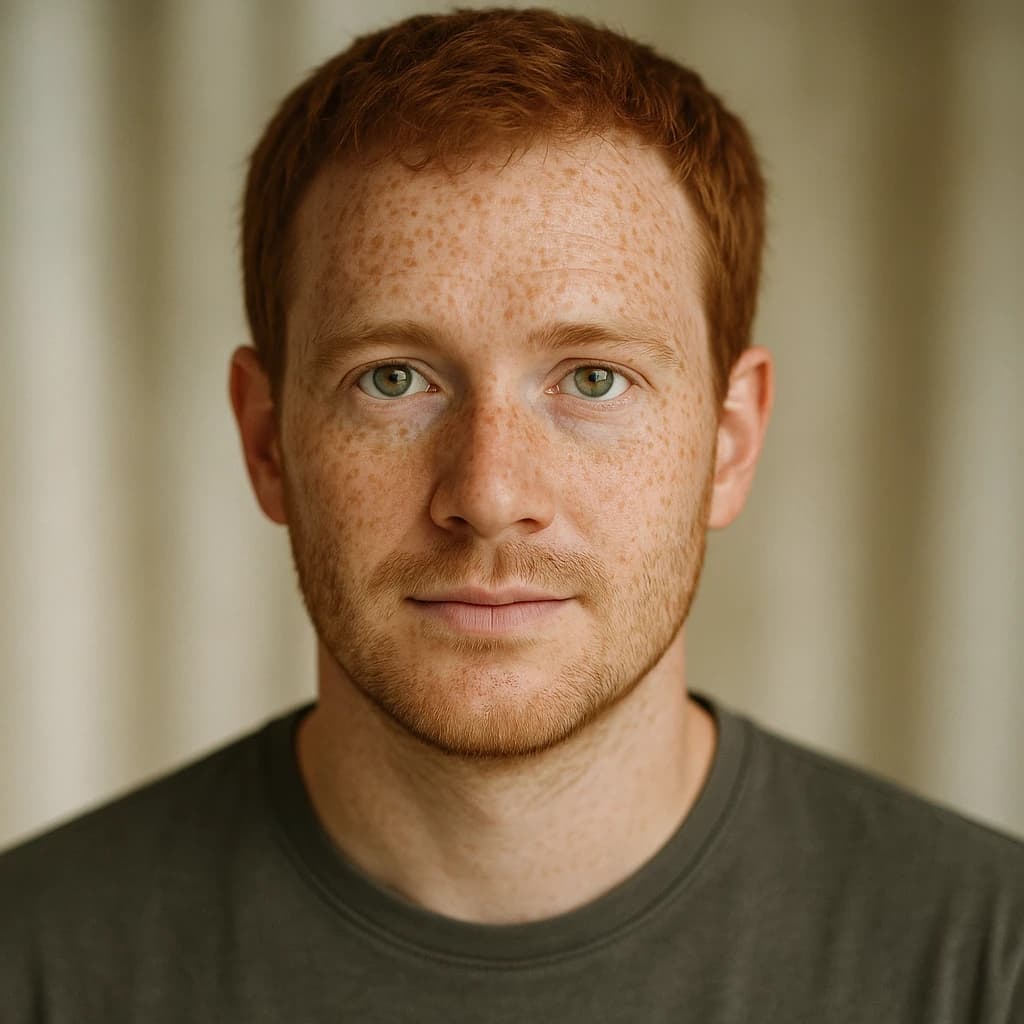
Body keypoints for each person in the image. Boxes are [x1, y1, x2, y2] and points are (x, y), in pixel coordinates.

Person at [2, 7, 1021, 1021]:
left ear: (730, 440)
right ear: (267, 440)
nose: (489, 495)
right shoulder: (31, 963)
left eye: (593, 378)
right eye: (392, 379)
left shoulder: (988, 965)